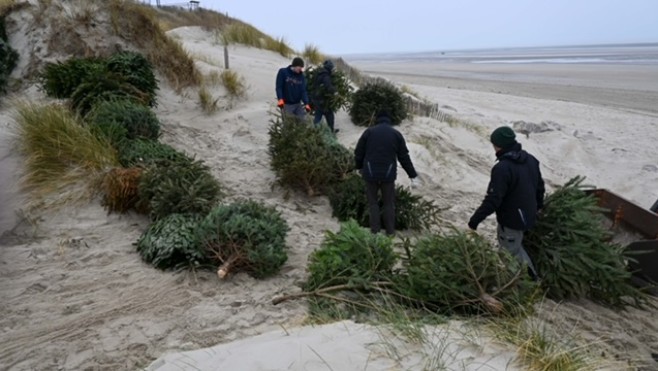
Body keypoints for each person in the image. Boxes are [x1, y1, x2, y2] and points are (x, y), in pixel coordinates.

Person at [468, 126, 545, 280]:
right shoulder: (531, 160)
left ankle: (530, 282)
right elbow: (540, 188)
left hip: (512, 219)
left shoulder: (502, 168)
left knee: (511, 252)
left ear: (498, 145)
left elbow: (493, 199)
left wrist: (474, 221)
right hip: (528, 214)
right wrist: (538, 207)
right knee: (515, 247)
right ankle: (526, 279)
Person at [354, 110, 418, 236]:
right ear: (390, 120)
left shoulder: (369, 132)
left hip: (370, 173)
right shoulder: (396, 134)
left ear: (377, 119)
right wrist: (412, 175)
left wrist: (358, 167)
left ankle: (375, 231)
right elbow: (404, 157)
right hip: (388, 175)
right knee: (389, 203)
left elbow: (358, 152)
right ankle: (390, 231)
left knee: (373, 203)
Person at [311, 60, 338, 133]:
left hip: (316, 98)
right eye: (332, 68)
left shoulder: (319, 73)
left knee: (318, 115)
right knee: (329, 115)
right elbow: (328, 87)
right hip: (322, 100)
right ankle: (330, 130)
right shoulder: (326, 76)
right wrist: (335, 91)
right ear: (329, 68)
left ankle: (314, 131)